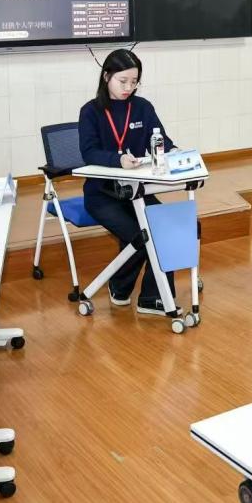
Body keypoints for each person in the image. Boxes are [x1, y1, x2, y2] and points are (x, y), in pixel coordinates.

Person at [78, 49, 179, 315]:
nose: (128, 88)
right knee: (141, 236)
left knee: (165, 227)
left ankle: (153, 297)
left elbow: (161, 140)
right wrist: (117, 159)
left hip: (135, 191)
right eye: (123, 81)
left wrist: (174, 152)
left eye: (134, 82)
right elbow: (89, 153)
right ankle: (120, 286)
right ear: (106, 76)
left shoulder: (142, 107)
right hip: (102, 195)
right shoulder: (91, 111)